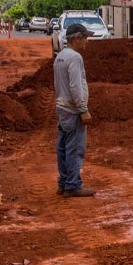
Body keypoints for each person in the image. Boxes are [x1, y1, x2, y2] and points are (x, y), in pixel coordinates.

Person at [54, 23, 95, 197]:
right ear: (76, 38)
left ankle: (63, 183)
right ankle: (73, 185)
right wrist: (83, 109)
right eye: (85, 38)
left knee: (63, 147)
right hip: (73, 110)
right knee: (75, 148)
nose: (87, 41)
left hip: (62, 107)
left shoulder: (60, 56)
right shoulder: (75, 58)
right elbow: (76, 86)